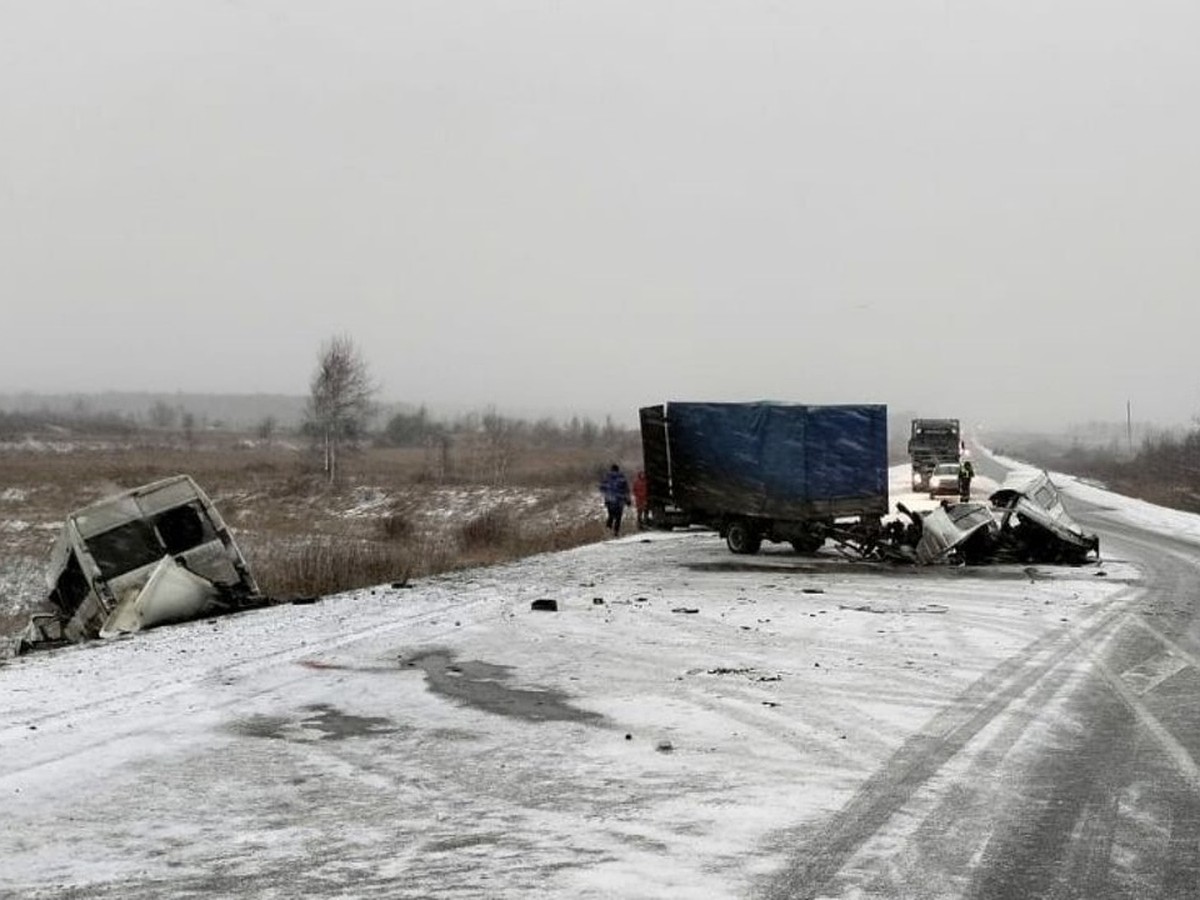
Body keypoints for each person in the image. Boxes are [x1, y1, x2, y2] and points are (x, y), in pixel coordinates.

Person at [599, 464, 631, 536]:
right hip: (620, 500)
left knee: (611, 515)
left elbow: (602, 488)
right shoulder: (622, 478)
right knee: (618, 517)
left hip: (610, 499)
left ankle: (608, 529)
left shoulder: (607, 478)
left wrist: (607, 493)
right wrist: (627, 500)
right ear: (618, 470)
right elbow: (626, 490)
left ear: (611, 469)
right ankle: (616, 532)